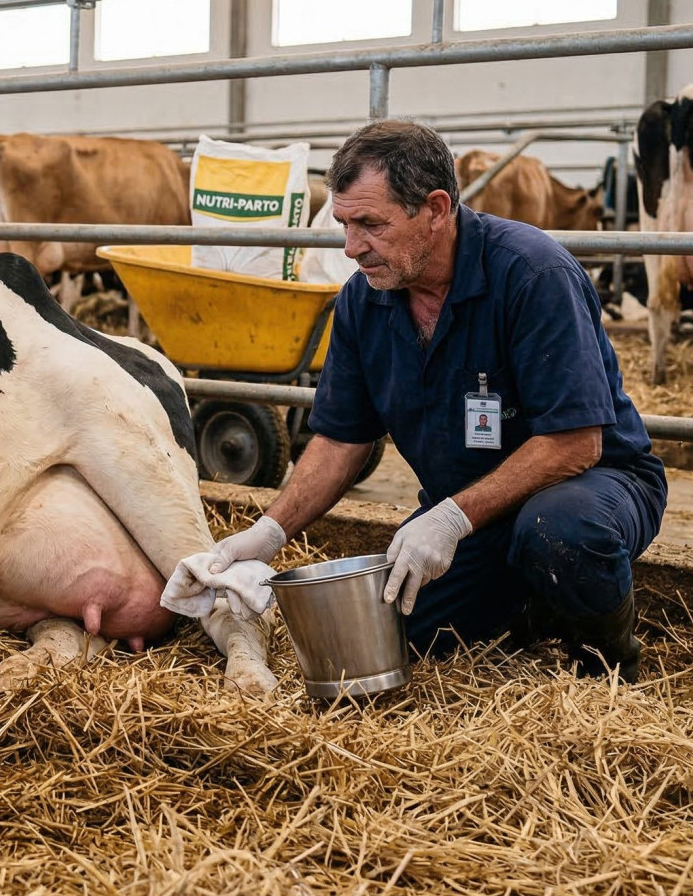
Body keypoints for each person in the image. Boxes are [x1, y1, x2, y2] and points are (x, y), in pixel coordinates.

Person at [169, 121, 666, 682]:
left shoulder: (532, 273)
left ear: (434, 208)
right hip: (471, 510)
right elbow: (340, 440)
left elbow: (576, 443)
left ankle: (612, 662)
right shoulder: (363, 301)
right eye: (344, 224)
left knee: (560, 532)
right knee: (399, 631)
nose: (352, 247)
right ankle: (531, 608)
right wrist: (268, 534)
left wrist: (450, 519)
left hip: (592, 485)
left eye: (370, 225)